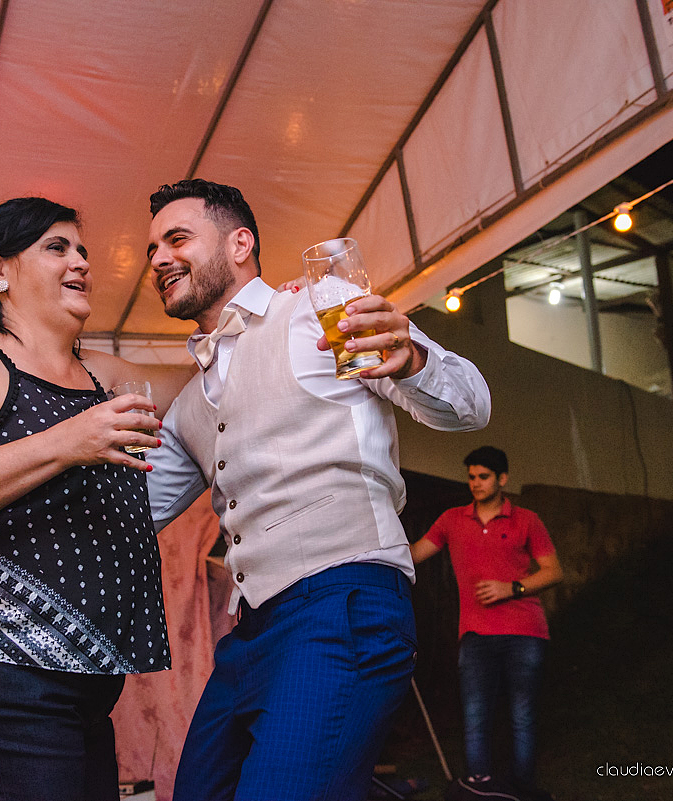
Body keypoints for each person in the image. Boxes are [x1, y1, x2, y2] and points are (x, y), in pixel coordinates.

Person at [143, 179, 492, 801]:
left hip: (343, 601)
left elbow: (470, 406)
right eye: (152, 250)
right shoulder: (191, 405)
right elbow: (129, 515)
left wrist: (412, 359)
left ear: (240, 244)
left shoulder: (318, 308)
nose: (159, 258)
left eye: (177, 239)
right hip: (249, 635)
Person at [0, 197, 191, 801]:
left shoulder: (102, 374)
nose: (81, 262)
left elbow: (212, 379)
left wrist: (265, 314)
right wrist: (66, 442)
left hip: (89, 687)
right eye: (57, 247)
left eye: (82, 250)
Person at [410, 446, 562, 801]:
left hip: (524, 631)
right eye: (471, 477)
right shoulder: (451, 519)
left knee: (522, 714)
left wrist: (512, 588)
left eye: (484, 476)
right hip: (475, 633)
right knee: (475, 713)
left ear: (502, 479)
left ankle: (523, 790)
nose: (475, 483)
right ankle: (479, 786)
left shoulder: (527, 520)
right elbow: (414, 553)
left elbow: (554, 571)